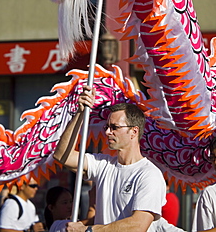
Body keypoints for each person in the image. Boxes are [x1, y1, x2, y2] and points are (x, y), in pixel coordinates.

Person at [54, 85, 167, 232]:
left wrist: (89, 230)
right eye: (107, 127)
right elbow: (62, 155)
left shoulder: (149, 174)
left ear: (133, 131)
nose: (107, 132)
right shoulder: (104, 165)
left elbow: (138, 225)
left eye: (114, 127)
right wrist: (81, 113)